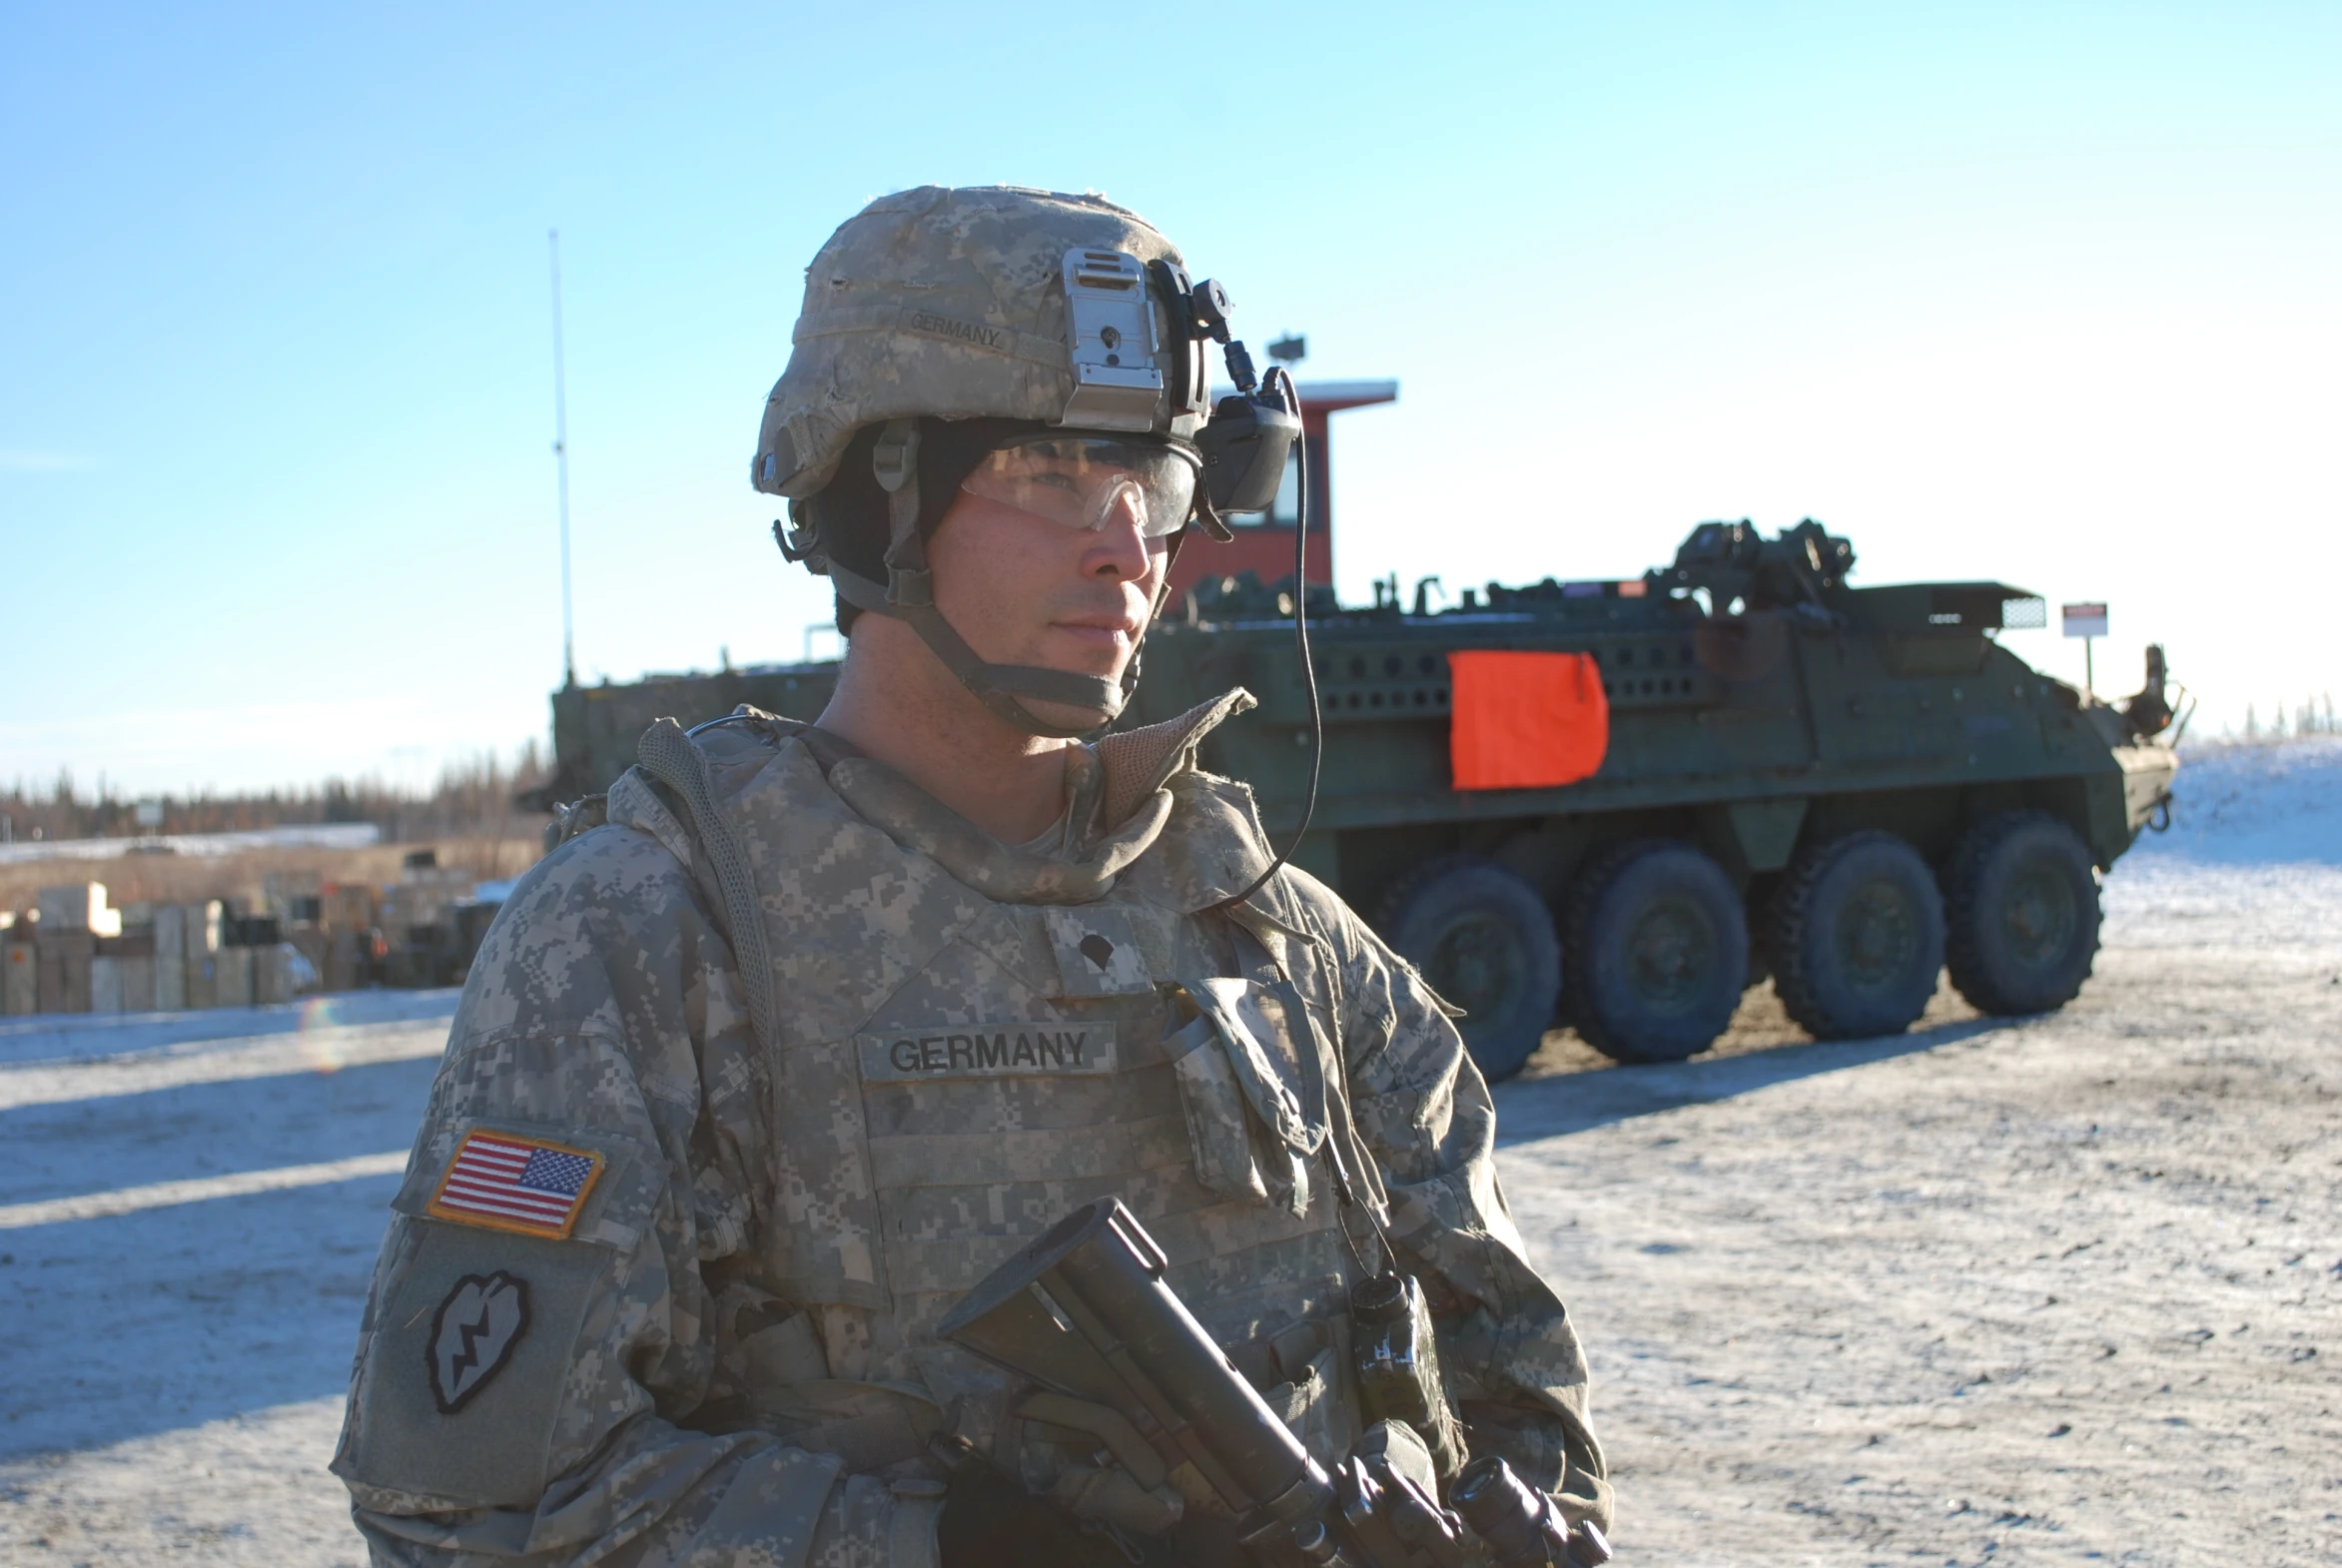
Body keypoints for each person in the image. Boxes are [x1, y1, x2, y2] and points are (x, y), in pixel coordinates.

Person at [334, 185, 1611, 1567]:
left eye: (1154, 484)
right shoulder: (646, 936)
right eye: (1051, 473)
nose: (1128, 546)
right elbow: (470, 1506)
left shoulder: (1274, 929)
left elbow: (1515, 1365)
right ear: (880, 492)